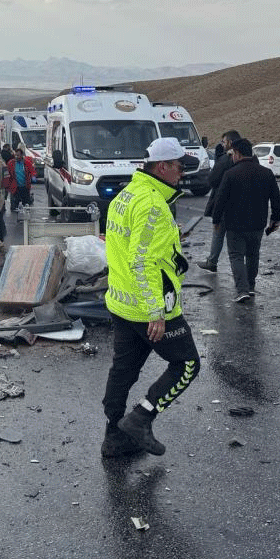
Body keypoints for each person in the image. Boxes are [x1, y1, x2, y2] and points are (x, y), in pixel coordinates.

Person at [101, 137, 200, 458]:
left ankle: (113, 438)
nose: (182, 173)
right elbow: (141, 261)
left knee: (124, 370)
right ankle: (141, 418)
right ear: (162, 167)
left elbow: (129, 248)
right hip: (150, 306)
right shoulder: (153, 204)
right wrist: (156, 311)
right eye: (179, 166)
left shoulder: (126, 194)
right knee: (187, 365)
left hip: (122, 302)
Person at [210, 138, 280, 303]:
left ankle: (242, 290)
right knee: (253, 255)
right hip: (258, 224)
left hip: (235, 225)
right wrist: (275, 219)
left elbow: (220, 200)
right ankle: (250, 286)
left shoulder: (230, 174)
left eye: (232, 154)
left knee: (236, 256)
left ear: (237, 154)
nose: (232, 157)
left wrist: (216, 220)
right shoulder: (266, 173)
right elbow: (276, 199)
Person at [199, 130, 241, 272]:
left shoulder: (225, 160)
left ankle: (213, 261)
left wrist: (219, 160)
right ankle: (240, 266)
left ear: (230, 143)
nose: (222, 145)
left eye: (224, 142)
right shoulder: (249, 158)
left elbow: (212, 180)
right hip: (242, 205)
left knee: (218, 233)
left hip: (223, 205)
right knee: (236, 239)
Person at [8, 146, 36, 213]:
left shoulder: (27, 163)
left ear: (22, 155)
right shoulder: (11, 163)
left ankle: (25, 216)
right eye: (16, 155)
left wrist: (33, 176)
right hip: (15, 187)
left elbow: (32, 170)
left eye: (18, 155)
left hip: (25, 187)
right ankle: (15, 216)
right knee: (14, 207)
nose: (17, 157)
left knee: (26, 205)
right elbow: (8, 172)